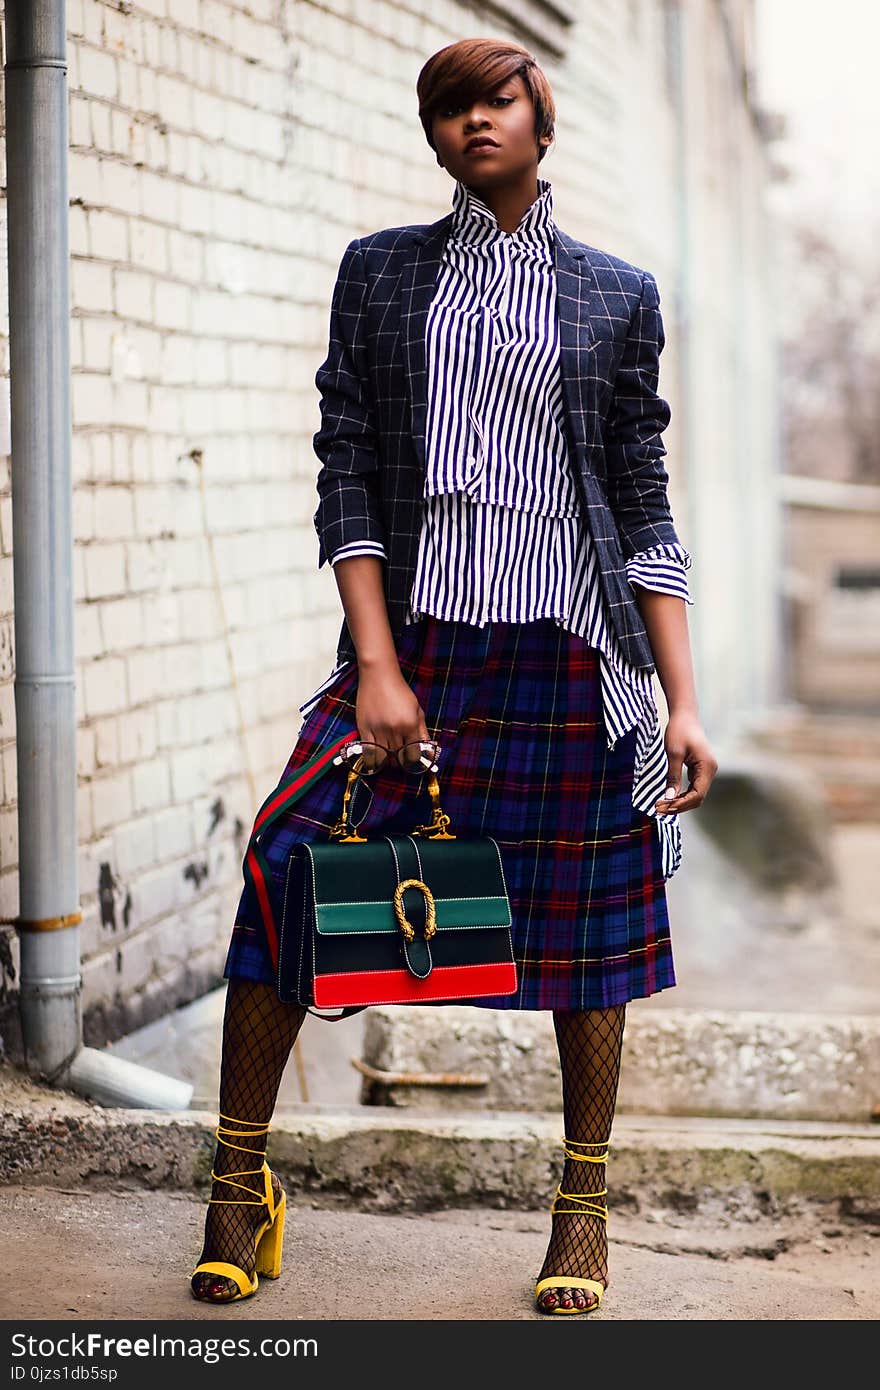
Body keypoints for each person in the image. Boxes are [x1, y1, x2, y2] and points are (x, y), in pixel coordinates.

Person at [190, 35, 718, 1316]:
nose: (472, 122)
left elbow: (639, 495)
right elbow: (350, 466)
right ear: (431, 136)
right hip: (417, 645)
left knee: (583, 940)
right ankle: (237, 1185)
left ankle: (580, 1212)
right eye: (448, 108)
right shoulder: (381, 276)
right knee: (283, 867)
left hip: (571, 658)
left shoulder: (614, 294)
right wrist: (375, 664)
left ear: (542, 124)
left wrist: (681, 694)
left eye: (496, 100)